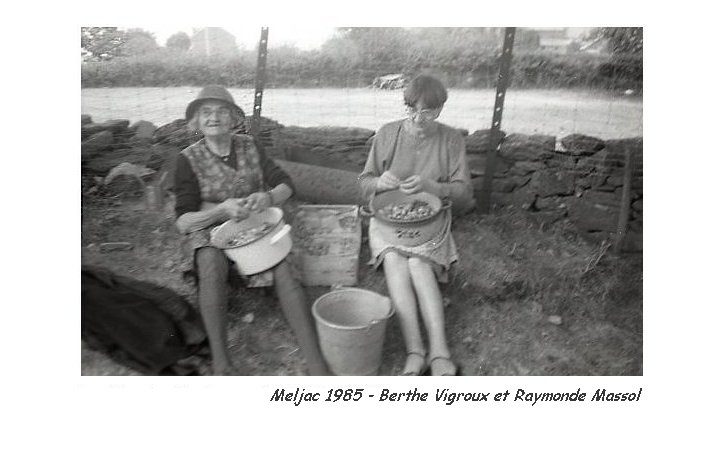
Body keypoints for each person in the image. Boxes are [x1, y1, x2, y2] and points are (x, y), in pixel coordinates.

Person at [173, 85, 329, 375]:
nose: (213, 117)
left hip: (254, 229)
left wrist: (268, 197)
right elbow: (183, 221)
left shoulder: (250, 146)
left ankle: (315, 360)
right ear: (196, 121)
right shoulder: (187, 159)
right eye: (206, 112)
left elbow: (286, 185)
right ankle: (221, 362)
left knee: (283, 266)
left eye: (221, 111)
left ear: (233, 118)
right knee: (209, 261)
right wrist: (221, 211)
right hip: (210, 230)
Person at [358, 75, 474, 376]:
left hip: (430, 220)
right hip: (387, 219)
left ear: (440, 109)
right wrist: (378, 182)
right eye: (412, 109)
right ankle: (415, 351)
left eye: (427, 112)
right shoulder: (387, 134)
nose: (418, 118)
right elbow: (364, 182)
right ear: (406, 105)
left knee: (419, 265)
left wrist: (433, 187)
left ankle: (439, 352)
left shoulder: (451, 139)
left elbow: (464, 194)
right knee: (395, 260)